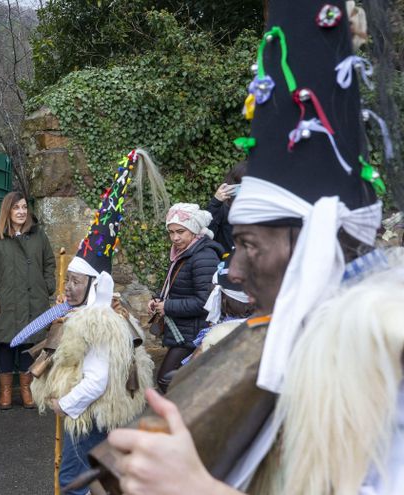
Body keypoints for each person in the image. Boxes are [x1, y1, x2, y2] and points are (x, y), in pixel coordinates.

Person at [106, 1, 394, 492]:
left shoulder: (390, 355)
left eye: (248, 245)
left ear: (311, 243)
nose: (232, 270)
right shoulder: (286, 344)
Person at [25, 173, 155, 493]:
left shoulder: (98, 324)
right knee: (98, 476)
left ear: (94, 286)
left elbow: (97, 379)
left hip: (88, 414)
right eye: (68, 280)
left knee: (73, 480)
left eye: (76, 282)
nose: (68, 287)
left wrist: (65, 404)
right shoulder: (94, 313)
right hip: (93, 414)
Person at [0, 191, 56, 409]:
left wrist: (47, 287)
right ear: (8, 211)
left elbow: (49, 263)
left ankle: (27, 389)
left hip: (33, 300)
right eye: (16, 208)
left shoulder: (38, 236)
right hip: (7, 300)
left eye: (24, 207)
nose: (22, 211)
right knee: (6, 345)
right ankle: (5, 392)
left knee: (29, 345)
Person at [150, 203, 222, 392]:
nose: (175, 237)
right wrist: (158, 299)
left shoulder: (203, 257)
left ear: (194, 230)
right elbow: (177, 287)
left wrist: (168, 307)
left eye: (180, 231)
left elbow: (205, 302)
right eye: (171, 232)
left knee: (167, 380)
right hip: (184, 333)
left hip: (194, 335)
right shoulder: (184, 254)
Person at [207, 161, 247, 254]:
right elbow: (207, 233)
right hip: (227, 261)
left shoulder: (260, 206)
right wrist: (215, 202)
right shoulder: (223, 206)